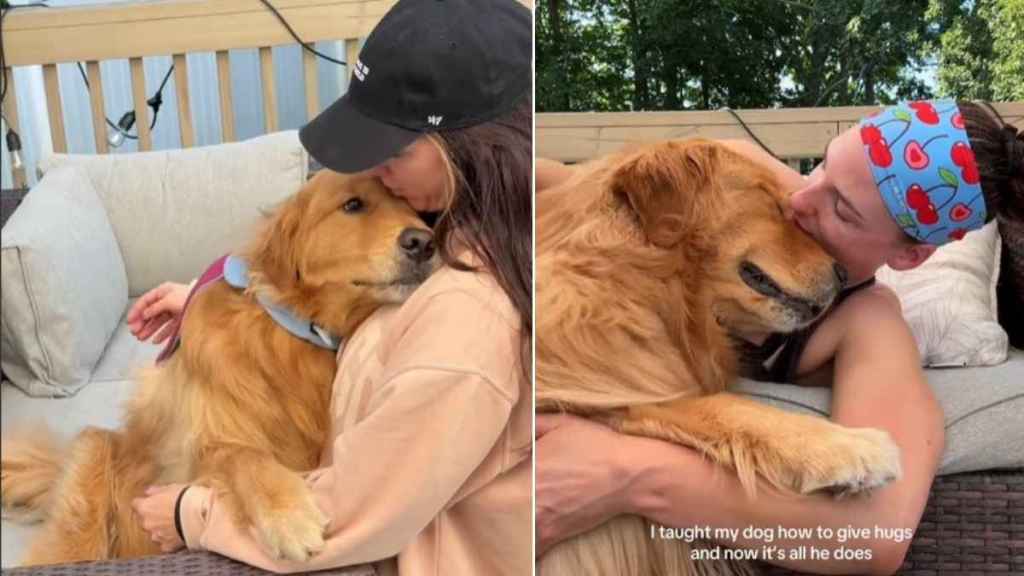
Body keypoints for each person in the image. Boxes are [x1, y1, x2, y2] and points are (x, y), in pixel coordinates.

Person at [128, 1, 533, 574]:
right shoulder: (468, 222)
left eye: (393, 151)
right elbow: (318, 267)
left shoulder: (468, 316)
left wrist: (190, 514)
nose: (379, 169)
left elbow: (357, 515)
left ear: (475, 145)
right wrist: (208, 288)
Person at [535, 100, 1023, 575]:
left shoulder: (869, 323)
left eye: (844, 210)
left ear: (909, 259)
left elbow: (878, 540)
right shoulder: (748, 177)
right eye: (821, 169)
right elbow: (582, 190)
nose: (797, 201)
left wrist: (628, 476)